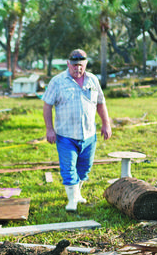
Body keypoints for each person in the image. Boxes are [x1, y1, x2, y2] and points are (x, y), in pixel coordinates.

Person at [42, 49, 112, 211]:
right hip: (66, 135)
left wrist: (106, 124)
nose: (77, 69)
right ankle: (72, 200)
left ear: (85, 64)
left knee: (84, 168)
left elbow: (100, 103)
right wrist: (49, 129)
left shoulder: (93, 80)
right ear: (68, 64)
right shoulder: (58, 81)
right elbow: (47, 105)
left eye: (80, 65)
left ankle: (77, 194)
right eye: (74, 65)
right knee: (68, 168)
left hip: (89, 134)